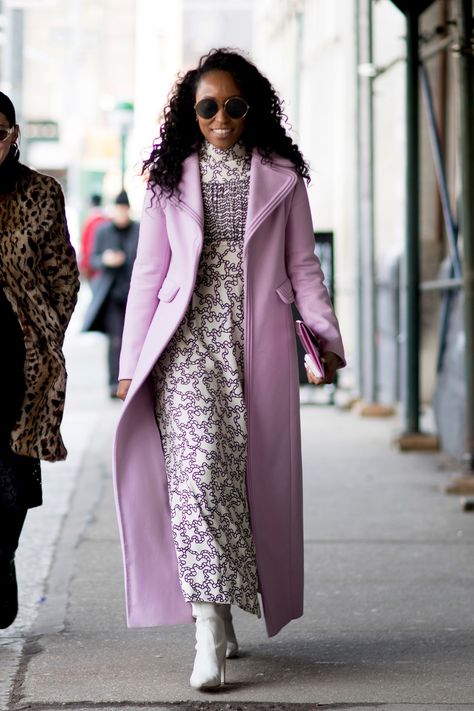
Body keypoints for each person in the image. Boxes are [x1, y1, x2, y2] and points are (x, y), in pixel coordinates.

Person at [113, 48, 345, 690]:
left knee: (241, 481)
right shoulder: (167, 181)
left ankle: (224, 606)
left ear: (253, 111)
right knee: (197, 477)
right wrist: (131, 362)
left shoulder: (282, 178)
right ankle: (207, 631)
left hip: (259, 345)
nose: (221, 117)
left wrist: (324, 336)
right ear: (191, 114)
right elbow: (148, 277)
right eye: (208, 107)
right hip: (184, 347)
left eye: (233, 106)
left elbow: (303, 268)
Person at [0, 91, 79, 628]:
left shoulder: (40, 192)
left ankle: (0, 563)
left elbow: (63, 274)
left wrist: (47, 330)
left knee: (12, 489)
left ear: (14, 133)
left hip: (16, 360)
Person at [82, 190, 139, 397]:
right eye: (118, 209)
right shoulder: (103, 230)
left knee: (132, 338)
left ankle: (134, 381)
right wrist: (106, 259)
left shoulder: (139, 229)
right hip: (111, 294)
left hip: (134, 293)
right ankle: (114, 383)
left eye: (124, 210)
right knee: (116, 339)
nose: (121, 213)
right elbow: (92, 258)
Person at [78, 193, 109, 280]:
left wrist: (85, 264)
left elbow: (86, 246)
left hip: (94, 266)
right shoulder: (107, 220)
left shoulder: (91, 222)